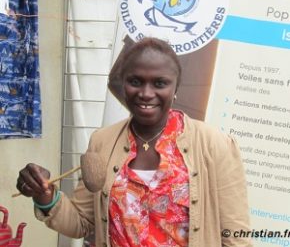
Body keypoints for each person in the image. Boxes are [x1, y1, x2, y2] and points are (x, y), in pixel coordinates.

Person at [16, 37, 252, 247]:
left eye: (160, 83)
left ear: (175, 88)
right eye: (136, 81)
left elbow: (236, 237)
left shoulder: (214, 145)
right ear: (124, 84)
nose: (146, 93)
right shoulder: (103, 142)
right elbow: (81, 222)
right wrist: (44, 194)